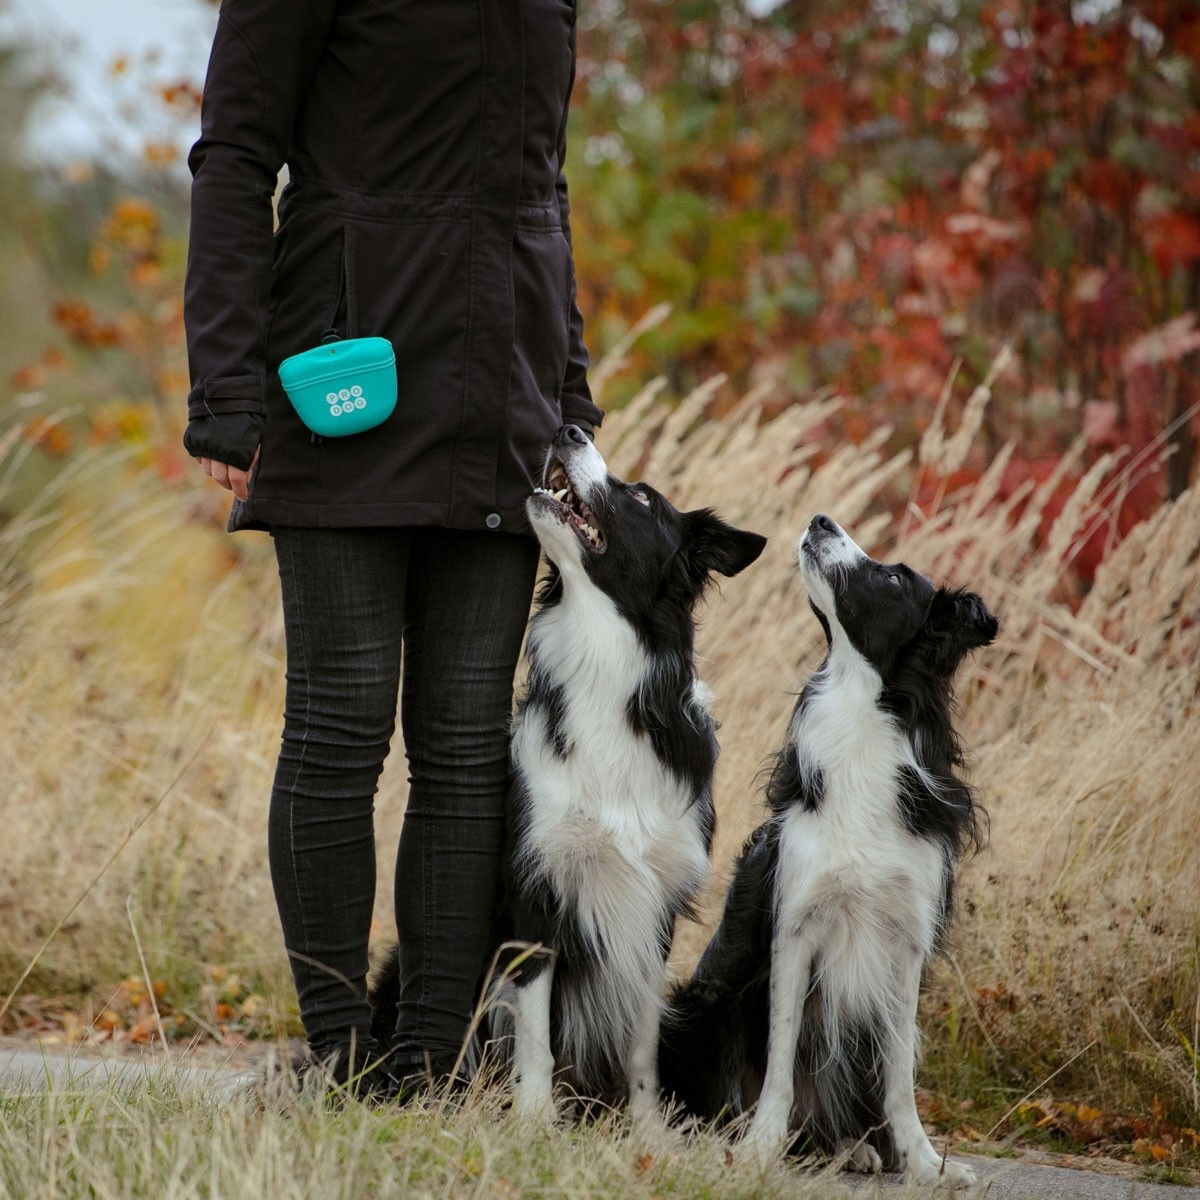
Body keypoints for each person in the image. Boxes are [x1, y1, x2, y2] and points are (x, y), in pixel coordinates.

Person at [180, 0, 603, 1097]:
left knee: (465, 746)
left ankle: (424, 1066)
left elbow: (543, 189)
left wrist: (568, 398)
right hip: (344, 375)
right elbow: (234, 159)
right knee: (341, 724)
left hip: (501, 394)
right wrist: (226, 392)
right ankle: (336, 1055)